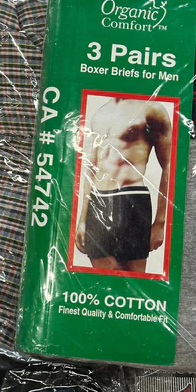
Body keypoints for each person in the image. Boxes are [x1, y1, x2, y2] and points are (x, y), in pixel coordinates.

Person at [74, 97, 171, 273]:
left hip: (132, 200)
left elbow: (169, 166)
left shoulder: (151, 108)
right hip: (98, 203)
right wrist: (82, 220)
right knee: (101, 278)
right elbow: (91, 169)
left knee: (133, 279)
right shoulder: (100, 113)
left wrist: (160, 223)